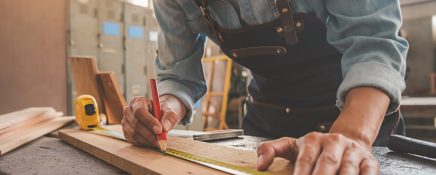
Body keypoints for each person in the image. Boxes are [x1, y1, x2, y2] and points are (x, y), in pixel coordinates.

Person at [121, 0, 408, 174]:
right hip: (266, 123)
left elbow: (374, 45)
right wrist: (163, 112)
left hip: (356, 117)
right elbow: (178, 75)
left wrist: (351, 137)